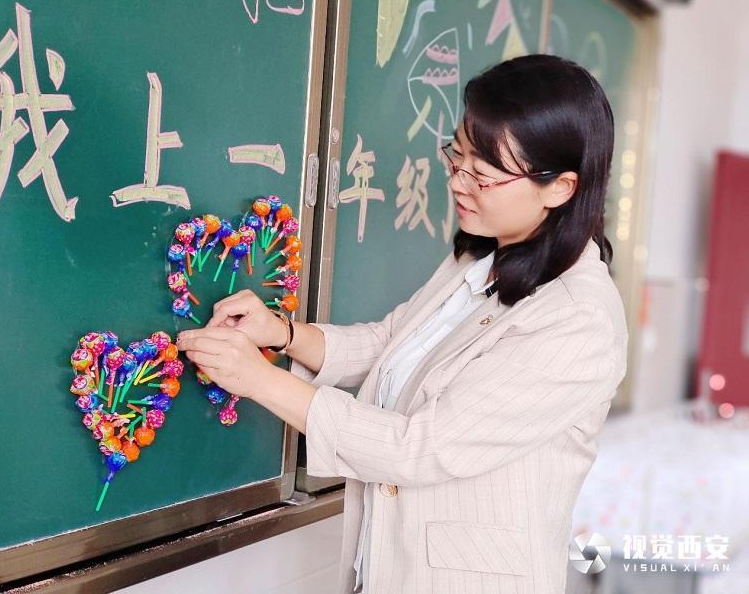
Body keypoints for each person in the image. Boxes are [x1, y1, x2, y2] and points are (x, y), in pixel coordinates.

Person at [176, 54, 628, 594]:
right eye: (456, 157)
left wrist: (261, 380)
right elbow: (392, 342)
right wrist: (283, 334)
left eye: (483, 175)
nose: (458, 183)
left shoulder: (577, 320)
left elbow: (422, 446)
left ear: (560, 187)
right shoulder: (483, 256)